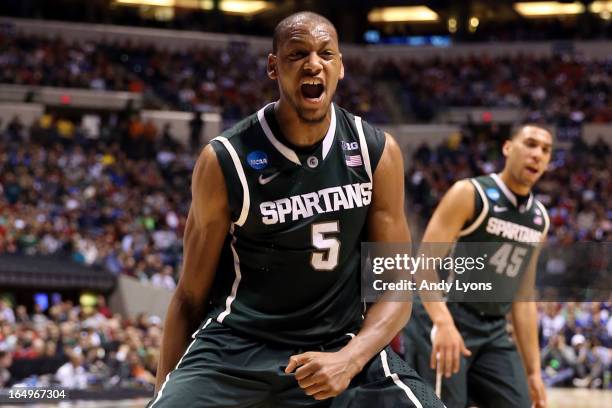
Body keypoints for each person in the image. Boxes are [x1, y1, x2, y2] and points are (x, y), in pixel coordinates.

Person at [149, 11, 443, 408]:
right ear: (274, 66)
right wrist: (163, 391)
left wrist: (349, 359)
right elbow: (189, 297)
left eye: (326, 53)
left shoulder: (377, 152)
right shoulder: (226, 160)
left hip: (339, 345)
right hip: (235, 351)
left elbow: (394, 286)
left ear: (340, 67)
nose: (313, 64)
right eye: (298, 53)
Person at [404, 124, 553, 408]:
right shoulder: (470, 194)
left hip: (494, 328)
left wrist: (534, 372)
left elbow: (522, 299)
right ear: (508, 148)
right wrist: (443, 322)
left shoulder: (539, 219)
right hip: (448, 314)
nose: (537, 154)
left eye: (545, 150)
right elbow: (423, 265)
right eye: (531, 144)